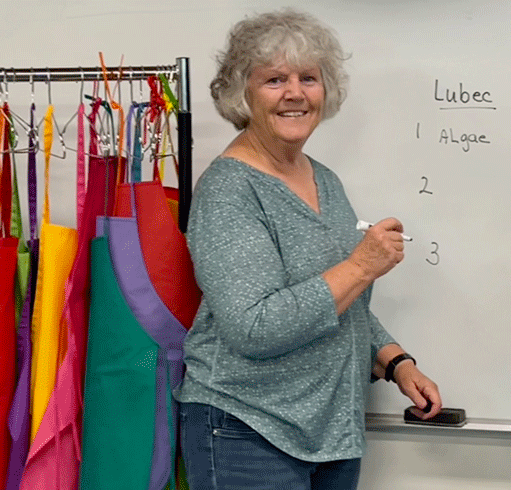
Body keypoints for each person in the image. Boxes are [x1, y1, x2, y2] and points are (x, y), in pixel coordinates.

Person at [175, 9, 442, 490]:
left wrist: (396, 362)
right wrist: (362, 265)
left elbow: (339, 298)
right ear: (243, 93)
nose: (295, 93)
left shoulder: (324, 179)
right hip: (247, 431)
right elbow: (253, 328)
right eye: (274, 79)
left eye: (308, 78)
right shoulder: (228, 191)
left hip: (331, 434)